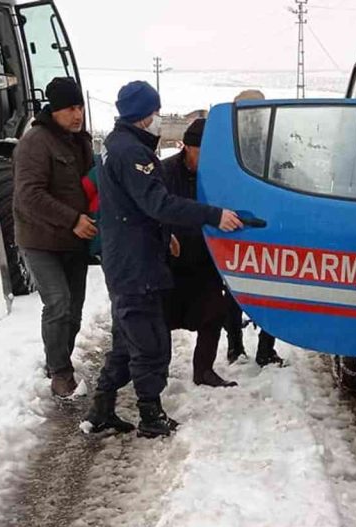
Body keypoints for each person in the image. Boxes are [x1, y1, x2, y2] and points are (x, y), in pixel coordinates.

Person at [83, 81, 244, 438]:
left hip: (127, 254)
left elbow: (133, 207)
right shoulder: (133, 154)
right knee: (150, 340)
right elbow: (159, 203)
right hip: (136, 261)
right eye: (155, 113)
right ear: (143, 115)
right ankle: (150, 415)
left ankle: (102, 408)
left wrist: (163, 234)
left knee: (127, 338)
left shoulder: (114, 145)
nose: (158, 119)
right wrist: (212, 215)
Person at [13, 77, 96, 400]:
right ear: (55, 110)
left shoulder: (81, 142)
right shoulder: (35, 142)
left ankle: (58, 359)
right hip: (40, 239)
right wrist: (72, 219)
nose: (78, 115)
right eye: (70, 109)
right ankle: (60, 372)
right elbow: (28, 196)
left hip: (75, 241)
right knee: (58, 303)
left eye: (80, 107)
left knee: (74, 309)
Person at [162, 118, 237, 388]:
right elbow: (155, 208)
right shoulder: (165, 172)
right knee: (162, 318)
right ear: (187, 148)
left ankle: (203, 370)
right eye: (201, 152)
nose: (206, 159)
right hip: (171, 258)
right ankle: (160, 371)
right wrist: (165, 233)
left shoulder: (220, 176)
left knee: (213, 313)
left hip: (206, 257)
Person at [224, 89, 285, 367]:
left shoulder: (274, 144)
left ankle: (265, 348)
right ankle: (235, 346)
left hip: (268, 229)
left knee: (272, 289)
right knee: (233, 290)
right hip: (235, 227)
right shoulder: (227, 145)